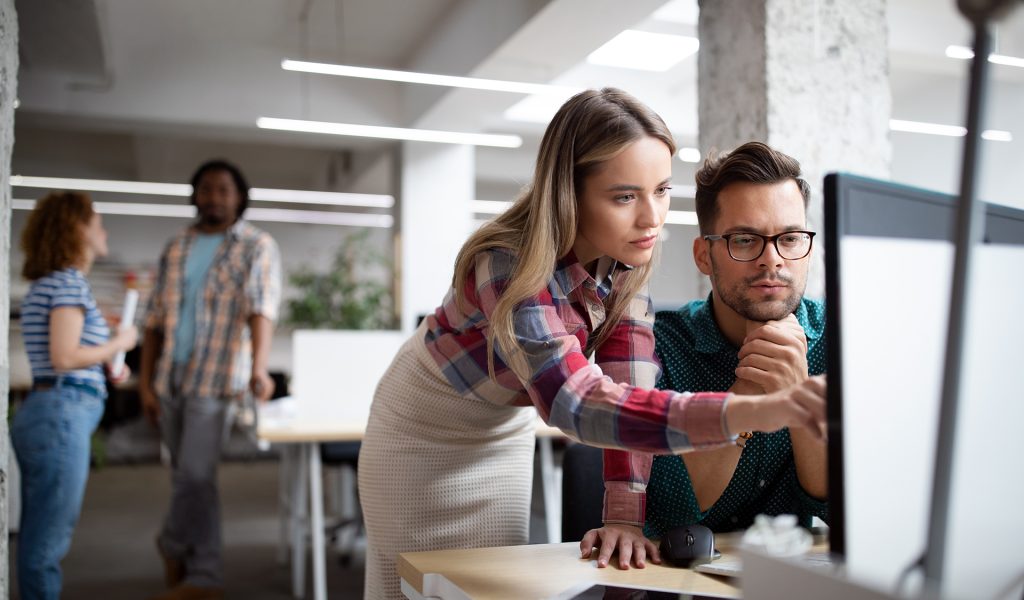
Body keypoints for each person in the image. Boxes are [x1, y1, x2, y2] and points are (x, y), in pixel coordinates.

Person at [358, 89, 827, 600]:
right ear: (570, 193)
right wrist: (751, 410)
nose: (652, 218)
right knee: (412, 586)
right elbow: (577, 404)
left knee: (483, 584)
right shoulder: (508, 263)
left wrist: (624, 520)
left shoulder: (627, 256)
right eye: (625, 196)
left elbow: (626, 389)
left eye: (662, 189)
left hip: (503, 426)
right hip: (425, 429)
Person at [583, 141, 828, 569]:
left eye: (790, 239)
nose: (772, 261)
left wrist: (798, 392)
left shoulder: (841, 341)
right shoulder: (653, 348)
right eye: (745, 240)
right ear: (704, 256)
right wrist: (750, 395)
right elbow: (669, 515)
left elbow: (846, 513)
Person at [138, 159, 281, 600]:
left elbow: (262, 307)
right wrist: (145, 384)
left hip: (217, 378)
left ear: (239, 197)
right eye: (206, 189)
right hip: (170, 378)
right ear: (195, 195)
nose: (214, 197)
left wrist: (259, 366)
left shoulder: (256, 245)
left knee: (195, 476)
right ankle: (204, 574)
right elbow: (154, 321)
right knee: (190, 479)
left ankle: (173, 544)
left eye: (224, 189)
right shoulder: (177, 246)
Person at [13, 192, 139, 600]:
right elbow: (65, 356)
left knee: (40, 535)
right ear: (77, 228)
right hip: (61, 412)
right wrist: (120, 341)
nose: (103, 231)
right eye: (98, 222)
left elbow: (69, 357)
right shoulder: (67, 282)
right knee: (46, 544)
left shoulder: (50, 284)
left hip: (54, 408)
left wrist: (109, 362)